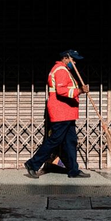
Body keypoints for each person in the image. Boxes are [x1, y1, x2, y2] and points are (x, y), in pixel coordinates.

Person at [24, 49, 91, 179]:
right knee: (54, 140)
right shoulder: (60, 70)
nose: (75, 63)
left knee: (70, 142)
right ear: (66, 58)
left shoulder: (65, 70)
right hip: (61, 112)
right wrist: (80, 91)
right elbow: (61, 91)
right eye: (73, 59)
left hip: (67, 113)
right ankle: (32, 164)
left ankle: (73, 170)